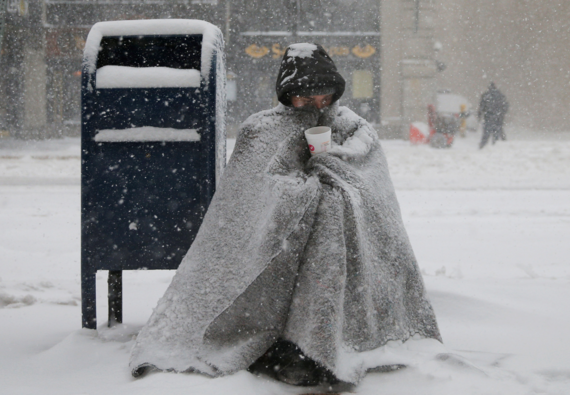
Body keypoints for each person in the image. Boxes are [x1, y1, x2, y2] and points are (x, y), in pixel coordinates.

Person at [128, 43, 442, 392]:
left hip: (338, 246)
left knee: (331, 222)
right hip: (279, 246)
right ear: (287, 97)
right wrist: (304, 191)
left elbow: (370, 193)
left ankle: (316, 345)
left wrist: (331, 170)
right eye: (305, 102)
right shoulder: (261, 130)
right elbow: (250, 199)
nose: (316, 108)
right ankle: (289, 344)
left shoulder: (354, 129)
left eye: (324, 100)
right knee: (310, 230)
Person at [477, 82, 509, 149]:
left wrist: (479, 116)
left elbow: (481, 107)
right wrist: (502, 114)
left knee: (486, 134)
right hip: (498, 118)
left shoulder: (486, 95)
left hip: (488, 117)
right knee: (497, 133)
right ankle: (496, 146)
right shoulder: (501, 95)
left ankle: (482, 147)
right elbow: (505, 106)